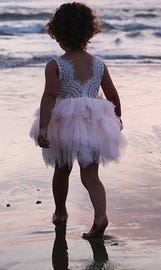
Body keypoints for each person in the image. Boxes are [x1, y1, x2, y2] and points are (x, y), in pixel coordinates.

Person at [29, 2, 126, 239]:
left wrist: (43, 127)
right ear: (89, 33)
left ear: (58, 34)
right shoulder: (98, 63)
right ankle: (100, 216)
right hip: (94, 123)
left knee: (62, 169)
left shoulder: (55, 64)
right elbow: (112, 95)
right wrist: (116, 119)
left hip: (63, 123)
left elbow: (50, 96)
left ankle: (60, 213)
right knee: (91, 175)